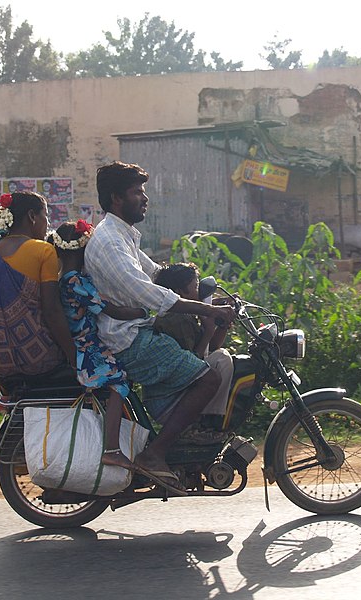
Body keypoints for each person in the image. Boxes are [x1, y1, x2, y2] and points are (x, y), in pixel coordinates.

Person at [84, 161, 235, 492]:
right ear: (116, 198)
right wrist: (197, 306)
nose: (144, 198)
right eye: (137, 192)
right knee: (209, 377)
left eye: (143, 191)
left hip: (139, 331)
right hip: (130, 340)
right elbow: (147, 291)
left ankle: (191, 439)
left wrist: (204, 292)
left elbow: (157, 274)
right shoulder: (109, 240)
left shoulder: (124, 236)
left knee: (202, 361)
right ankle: (156, 453)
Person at [47, 219, 151, 471]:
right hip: (87, 347)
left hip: (86, 342)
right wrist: (143, 311)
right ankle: (111, 449)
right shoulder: (76, 282)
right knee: (119, 383)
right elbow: (111, 309)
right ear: (84, 251)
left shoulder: (67, 279)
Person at [0, 191, 76, 385]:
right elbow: (52, 312)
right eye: (45, 217)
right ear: (32, 217)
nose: (47, 225)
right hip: (41, 361)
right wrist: (75, 358)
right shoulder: (43, 250)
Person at [152, 262, 235, 432]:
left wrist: (222, 324)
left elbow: (212, 347)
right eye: (196, 286)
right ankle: (206, 424)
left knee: (220, 356)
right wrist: (209, 330)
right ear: (180, 292)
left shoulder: (187, 314)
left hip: (179, 387)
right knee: (222, 358)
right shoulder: (176, 319)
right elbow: (192, 364)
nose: (200, 291)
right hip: (169, 399)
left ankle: (207, 419)